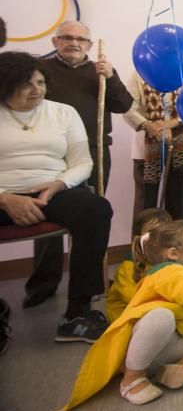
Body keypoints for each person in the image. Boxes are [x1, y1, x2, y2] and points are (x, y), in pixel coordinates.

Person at [58, 220, 183, 410]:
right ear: (173, 253)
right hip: (139, 354)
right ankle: (132, 379)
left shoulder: (177, 272)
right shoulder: (170, 272)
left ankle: (180, 367)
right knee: (161, 316)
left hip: (161, 351)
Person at [0, 51, 113, 341]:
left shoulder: (63, 113)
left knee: (96, 209)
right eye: (27, 84)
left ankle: (78, 312)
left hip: (53, 189)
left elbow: (82, 162)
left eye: (40, 82)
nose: (36, 89)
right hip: (4, 194)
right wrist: (6, 198)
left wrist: (59, 184)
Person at [31, 21, 131, 309]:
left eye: (80, 39)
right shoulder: (41, 71)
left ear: (89, 45)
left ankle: (92, 282)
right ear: (55, 41)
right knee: (43, 214)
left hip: (94, 150)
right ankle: (43, 282)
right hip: (50, 154)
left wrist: (110, 77)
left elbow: (124, 105)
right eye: (66, 38)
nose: (73, 43)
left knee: (93, 215)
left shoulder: (100, 72)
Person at [123, 73, 183, 222]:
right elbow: (127, 109)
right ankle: (142, 244)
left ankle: (175, 243)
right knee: (145, 207)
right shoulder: (139, 74)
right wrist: (151, 127)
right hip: (146, 151)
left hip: (181, 147)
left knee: (177, 204)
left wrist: (173, 122)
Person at [107, 208, 172, 323]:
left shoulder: (169, 259)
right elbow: (133, 299)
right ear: (138, 238)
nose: (158, 238)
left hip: (153, 308)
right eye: (151, 232)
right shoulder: (129, 265)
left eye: (163, 233)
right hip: (126, 315)